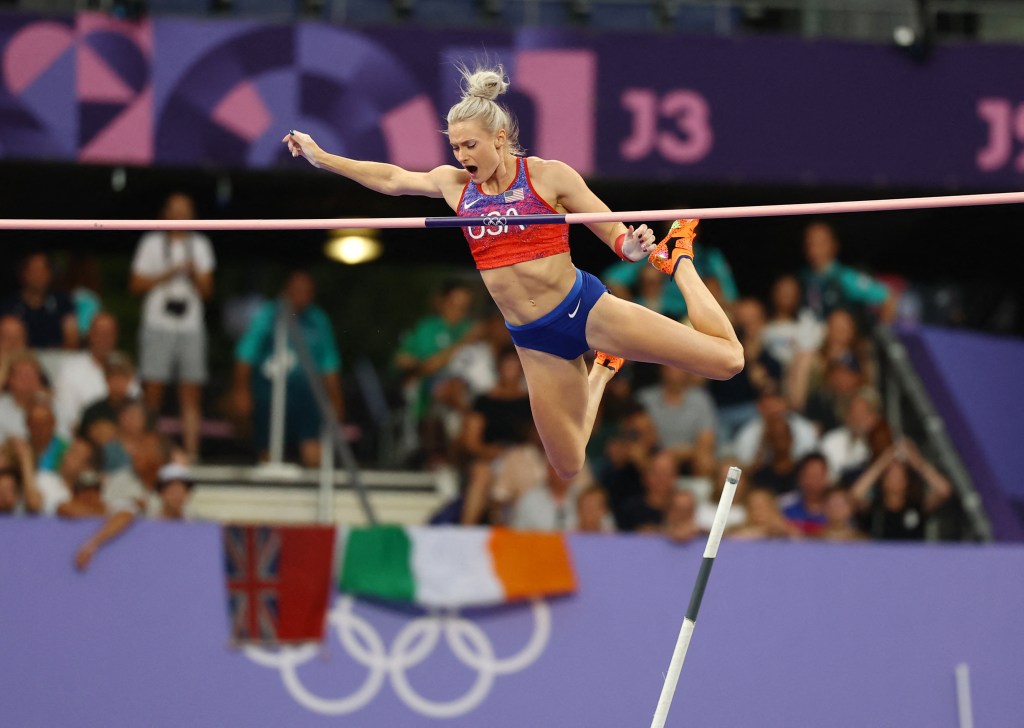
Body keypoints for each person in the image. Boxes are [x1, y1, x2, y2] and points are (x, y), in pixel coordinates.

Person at [284, 62, 742, 482]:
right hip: (534, 341)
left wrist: (640, 247)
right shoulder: (455, 186)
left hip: (584, 310)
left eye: (470, 145)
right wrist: (320, 156)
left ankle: (679, 257)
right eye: (456, 146)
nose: (462, 155)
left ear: (499, 139)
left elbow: (618, 241)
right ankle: (601, 372)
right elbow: (390, 178)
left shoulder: (547, 176)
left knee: (728, 361)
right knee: (567, 465)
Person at [129, 191, 216, 462]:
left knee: (191, 390)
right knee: (153, 389)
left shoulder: (200, 243)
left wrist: (192, 273)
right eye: (174, 210)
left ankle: (191, 452)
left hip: (190, 325)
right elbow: (135, 285)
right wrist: (169, 273)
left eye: (185, 211)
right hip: (158, 322)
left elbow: (208, 291)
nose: (179, 216)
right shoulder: (151, 242)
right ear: (164, 213)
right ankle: (150, 449)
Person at [233, 269, 344, 467]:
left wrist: (335, 400)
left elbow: (329, 365)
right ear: (285, 292)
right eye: (296, 291)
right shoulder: (268, 315)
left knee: (313, 452)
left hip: (306, 396)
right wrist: (241, 390)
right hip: (268, 393)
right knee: (268, 449)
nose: (301, 297)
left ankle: (314, 491)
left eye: (306, 292)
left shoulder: (318, 321)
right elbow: (245, 354)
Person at [848, 436, 953, 541]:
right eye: (890, 475)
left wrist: (916, 461)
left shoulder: (917, 506)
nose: (895, 480)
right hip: (879, 556)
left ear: (907, 481)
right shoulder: (875, 510)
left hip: (913, 556)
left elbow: (944, 490)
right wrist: (884, 460)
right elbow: (854, 494)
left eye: (900, 476)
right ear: (883, 481)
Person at [799, 220, 896, 327]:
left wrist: (879, 333)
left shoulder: (846, 277)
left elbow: (887, 297)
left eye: (821, 243)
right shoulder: (801, 278)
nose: (815, 249)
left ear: (834, 245)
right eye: (811, 243)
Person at [52, 312, 131, 438]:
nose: (104, 338)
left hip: (125, 439)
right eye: (99, 333)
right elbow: (66, 418)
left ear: (116, 337)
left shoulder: (123, 365)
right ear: (90, 334)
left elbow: (135, 406)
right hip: (82, 438)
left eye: (109, 333)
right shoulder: (70, 369)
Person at [634, 365, 717, 479]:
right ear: (661, 369)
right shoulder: (645, 399)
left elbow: (707, 440)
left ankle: (700, 493)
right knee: (637, 453)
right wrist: (665, 454)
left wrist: (679, 453)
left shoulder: (701, 399)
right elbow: (641, 435)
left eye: (680, 365)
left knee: (705, 459)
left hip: (691, 456)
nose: (677, 371)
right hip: (655, 454)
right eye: (672, 365)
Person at [0, 251, 78, 351]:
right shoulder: (8, 306)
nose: (38, 275)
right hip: (19, 361)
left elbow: (72, 340)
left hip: (57, 360)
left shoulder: (63, 302)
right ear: (23, 273)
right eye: (34, 270)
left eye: (43, 270)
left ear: (50, 274)